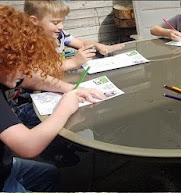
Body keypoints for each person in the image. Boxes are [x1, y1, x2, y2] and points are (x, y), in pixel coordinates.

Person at [0, 6, 104, 191]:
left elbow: (32, 78)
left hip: (7, 163)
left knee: (49, 175)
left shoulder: (5, 73)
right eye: (20, 63)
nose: (26, 70)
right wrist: (64, 108)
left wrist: (70, 89)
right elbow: (27, 145)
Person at [24, 0, 125, 71]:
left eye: (62, 21)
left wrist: (98, 46)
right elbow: (40, 70)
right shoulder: (29, 42)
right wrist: (74, 62)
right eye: (55, 23)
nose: (61, 26)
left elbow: (81, 43)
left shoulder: (60, 35)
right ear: (34, 21)